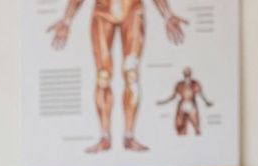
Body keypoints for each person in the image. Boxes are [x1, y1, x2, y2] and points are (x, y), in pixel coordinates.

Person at [47, 0, 189, 153]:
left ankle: (129, 136)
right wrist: (67, 20)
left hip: (133, 12)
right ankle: (105, 137)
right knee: (103, 76)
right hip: (103, 13)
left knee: (131, 74)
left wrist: (167, 15)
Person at [157, 66, 213, 135]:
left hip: (192, 105)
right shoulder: (179, 84)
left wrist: (206, 102)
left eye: (188, 72)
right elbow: (173, 96)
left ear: (191, 73)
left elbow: (201, 94)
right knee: (180, 127)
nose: (187, 73)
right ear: (183, 74)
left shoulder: (195, 83)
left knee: (196, 127)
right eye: (186, 72)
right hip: (182, 106)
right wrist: (163, 102)